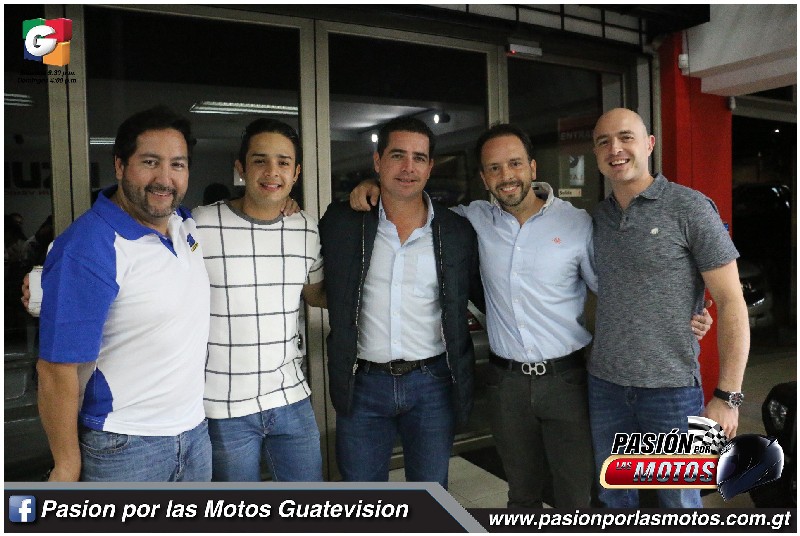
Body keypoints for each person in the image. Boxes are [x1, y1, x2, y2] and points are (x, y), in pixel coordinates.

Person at [349, 123, 712, 507]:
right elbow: (411, 204)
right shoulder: (472, 220)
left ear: (533, 168)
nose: (506, 175)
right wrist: (374, 187)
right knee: (521, 496)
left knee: (577, 499)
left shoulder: (576, 223)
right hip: (506, 386)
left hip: (568, 382)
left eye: (515, 164)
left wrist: (682, 311)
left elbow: (616, 289)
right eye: (494, 168)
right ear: (483, 178)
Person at [36, 106, 212, 482]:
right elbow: (55, 370)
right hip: (125, 447)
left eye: (177, 165)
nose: (164, 178)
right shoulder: (89, 246)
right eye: (150, 162)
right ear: (120, 166)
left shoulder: (184, 224)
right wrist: (66, 465)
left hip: (195, 432)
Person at [588, 108, 749, 508]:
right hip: (605, 387)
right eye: (604, 141)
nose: (615, 148)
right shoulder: (596, 218)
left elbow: (731, 301)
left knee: (679, 504)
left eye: (626, 137)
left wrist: (728, 396)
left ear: (649, 144)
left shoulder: (689, 207)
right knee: (614, 500)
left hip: (673, 391)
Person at [319, 116, 483, 489]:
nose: (408, 167)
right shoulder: (343, 222)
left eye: (419, 158)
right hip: (362, 384)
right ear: (378, 161)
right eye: (397, 155)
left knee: (430, 493)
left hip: (432, 384)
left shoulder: (455, 230)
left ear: (430, 166)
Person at [192, 118, 326, 482]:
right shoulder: (201, 224)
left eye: (283, 162)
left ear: (296, 172)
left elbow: (316, 294)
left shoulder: (306, 228)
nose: (272, 172)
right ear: (241, 168)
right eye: (260, 160)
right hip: (223, 406)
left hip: (291, 398)